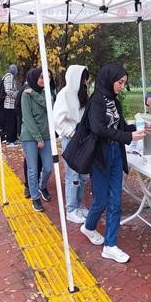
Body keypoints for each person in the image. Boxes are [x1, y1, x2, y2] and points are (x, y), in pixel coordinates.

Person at [81, 63, 148, 263]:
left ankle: (110, 245)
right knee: (101, 201)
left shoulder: (115, 102)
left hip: (116, 154)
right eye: (120, 82)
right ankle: (89, 226)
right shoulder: (96, 102)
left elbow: (120, 127)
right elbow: (98, 129)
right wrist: (129, 137)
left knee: (115, 201)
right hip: (100, 156)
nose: (121, 86)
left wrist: (139, 127)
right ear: (109, 80)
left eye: (124, 83)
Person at [53, 65, 90, 224]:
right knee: (72, 175)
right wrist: (72, 132)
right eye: (83, 78)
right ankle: (71, 209)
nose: (85, 81)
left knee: (83, 175)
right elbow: (57, 120)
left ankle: (79, 204)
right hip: (71, 139)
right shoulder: (65, 94)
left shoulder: (82, 93)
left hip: (83, 138)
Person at [20, 68, 53, 212]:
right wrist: (38, 138)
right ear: (34, 78)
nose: (45, 80)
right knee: (32, 169)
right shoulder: (25, 95)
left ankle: (42, 186)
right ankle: (35, 197)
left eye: (47, 77)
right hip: (30, 137)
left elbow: (50, 107)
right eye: (41, 77)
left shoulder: (46, 93)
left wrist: (35, 94)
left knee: (48, 167)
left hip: (46, 136)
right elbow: (28, 119)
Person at [1, 64, 19, 145]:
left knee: (13, 122)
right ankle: (10, 139)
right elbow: (8, 90)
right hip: (10, 104)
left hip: (11, 104)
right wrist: (16, 95)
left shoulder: (10, 77)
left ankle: (13, 138)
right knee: (10, 122)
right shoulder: (9, 77)